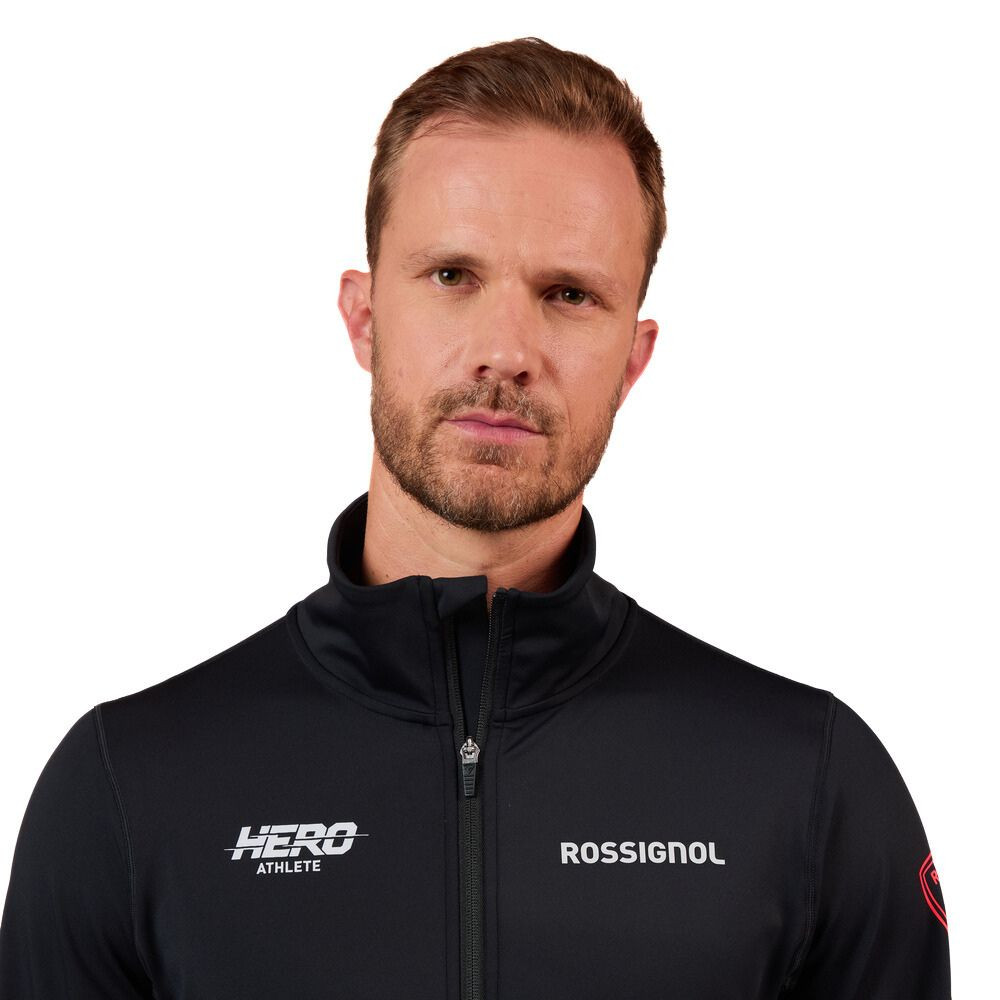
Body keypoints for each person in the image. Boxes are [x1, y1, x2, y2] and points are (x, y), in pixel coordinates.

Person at [0, 36, 951, 999]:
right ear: (364, 317)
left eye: (569, 294)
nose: (506, 351)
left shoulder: (811, 787)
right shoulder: (127, 789)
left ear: (633, 359)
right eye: (452, 275)